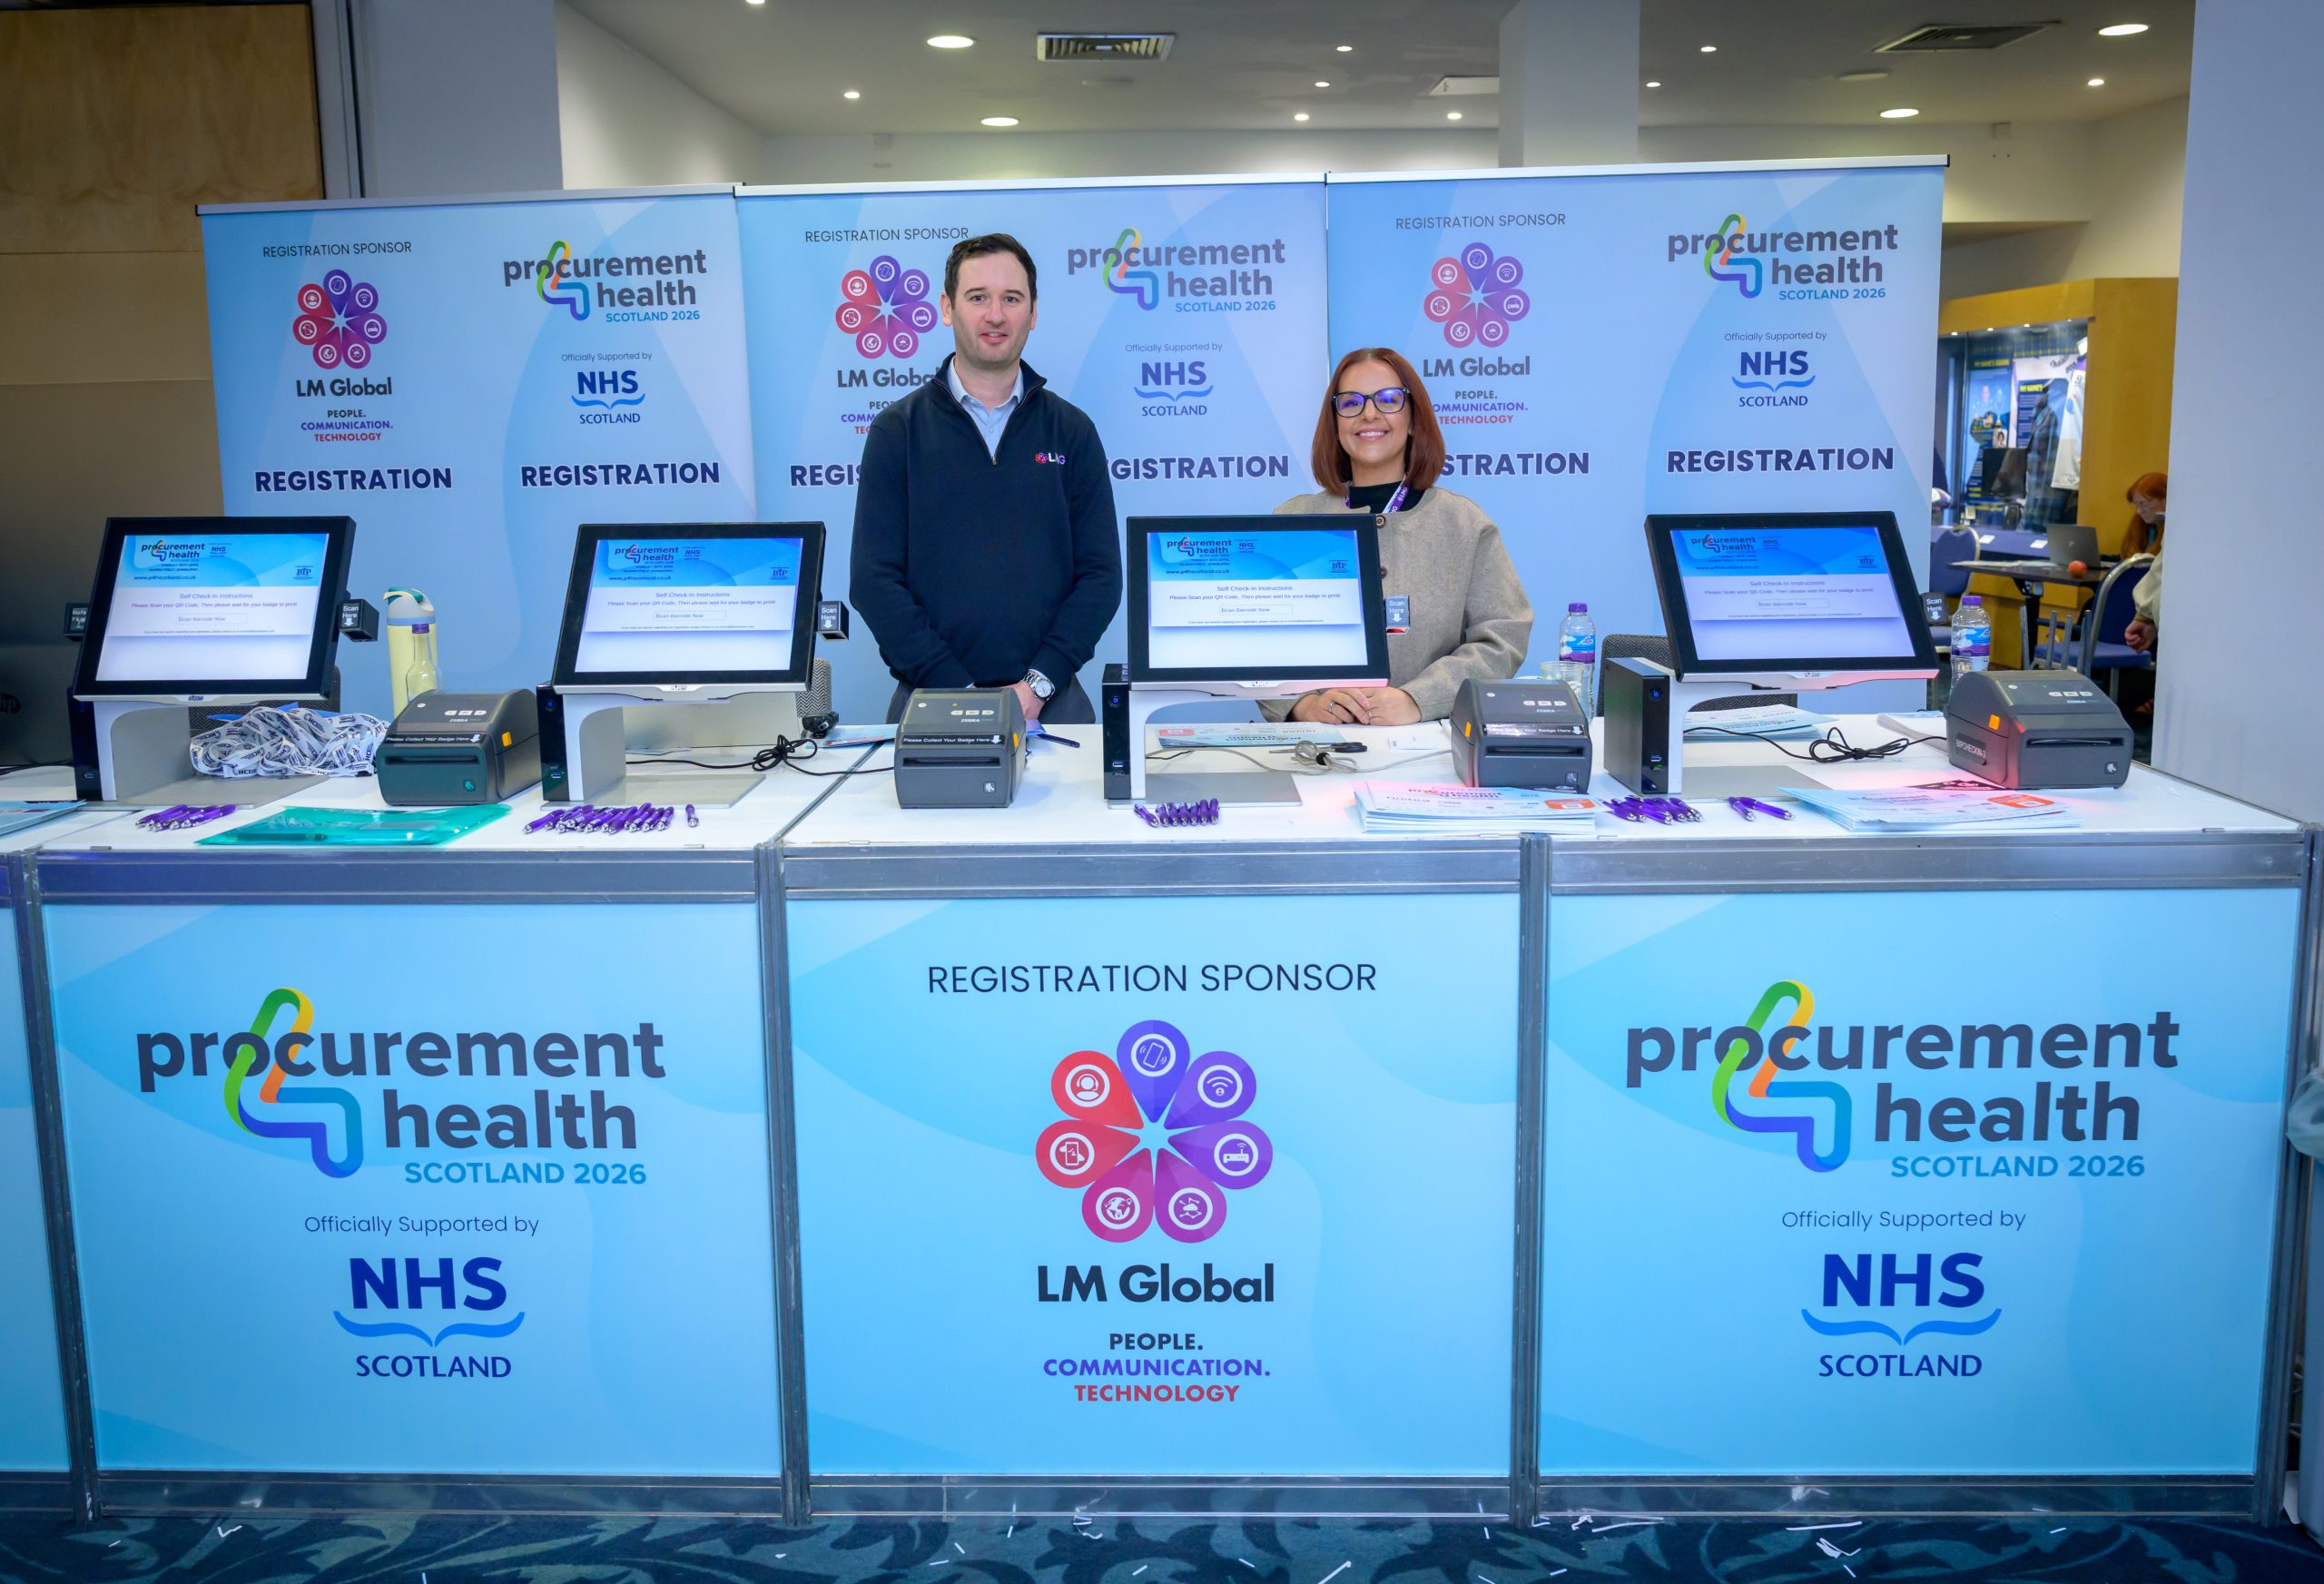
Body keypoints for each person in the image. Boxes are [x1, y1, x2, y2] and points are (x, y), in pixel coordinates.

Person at [849, 233, 1121, 723]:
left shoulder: (1071, 430)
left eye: (1011, 299)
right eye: (978, 297)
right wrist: (959, 691)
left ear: (1033, 313)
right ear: (947, 308)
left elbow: (1101, 576)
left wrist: (1036, 686)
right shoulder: (898, 431)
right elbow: (873, 581)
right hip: (929, 699)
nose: (995, 315)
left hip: (1052, 704)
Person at [1264, 348, 1531, 725]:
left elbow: (1502, 638)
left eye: (1388, 399)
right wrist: (1303, 704)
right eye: (1351, 403)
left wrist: (1418, 699)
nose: (1369, 414)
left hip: (1432, 741)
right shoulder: (1293, 520)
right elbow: (1261, 640)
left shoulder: (1463, 524)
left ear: (1412, 420)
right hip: (1318, 739)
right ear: (1335, 424)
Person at [2123, 472, 2167, 654]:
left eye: (2143, 504)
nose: (2139, 511)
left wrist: (2144, 616)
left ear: (2165, 499)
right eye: (2136, 505)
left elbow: (2159, 571)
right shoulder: (2142, 525)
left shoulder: (2174, 529)